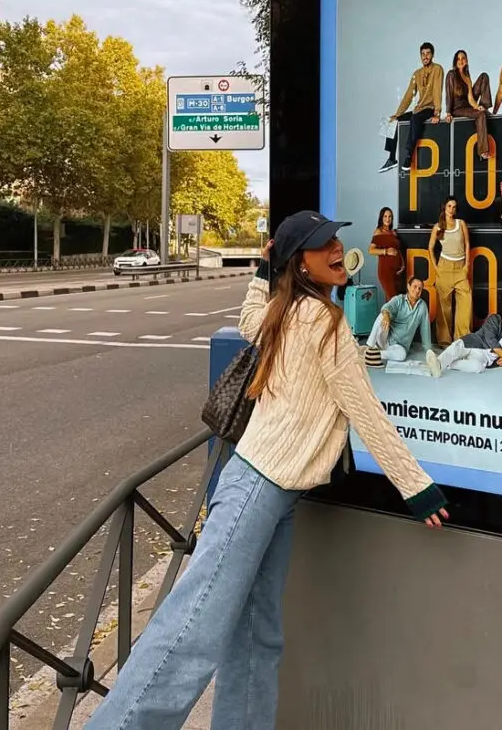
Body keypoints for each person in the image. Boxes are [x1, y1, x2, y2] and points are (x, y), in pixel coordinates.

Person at [84, 211, 447, 730]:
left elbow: (250, 314)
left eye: (337, 240)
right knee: (192, 630)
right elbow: (365, 411)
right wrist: (418, 488)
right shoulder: (323, 322)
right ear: (301, 261)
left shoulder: (286, 309)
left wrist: (262, 269)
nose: (337, 249)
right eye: (323, 244)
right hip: (258, 487)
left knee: (256, 637)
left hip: (266, 489)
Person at [380, 42, 443, 173]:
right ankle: (391, 158)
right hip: (419, 109)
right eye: (423, 54)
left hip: (430, 109)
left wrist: (437, 112)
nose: (425, 56)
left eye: (428, 53)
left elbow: (437, 90)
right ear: (420, 56)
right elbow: (408, 95)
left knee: (415, 119)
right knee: (395, 121)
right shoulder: (417, 74)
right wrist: (397, 114)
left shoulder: (437, 69)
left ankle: (409, 155)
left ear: (432, 55)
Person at [425, 301, 502, 376]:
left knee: (478, 367)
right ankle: (438, 364)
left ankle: (447, 364)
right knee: (457, 346)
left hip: (483, 357)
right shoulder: (494, 319)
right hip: (473, 343)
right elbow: (492, 341)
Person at [427, 195, 471, 347]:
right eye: (449, 206)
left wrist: (467, 266)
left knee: (465, 304)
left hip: (460, 268)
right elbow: (430, 248)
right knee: (443, 307)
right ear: (444, 208)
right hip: (444, 267)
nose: (451, 209)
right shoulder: (438, 227)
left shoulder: (461, 224)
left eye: (454, 207)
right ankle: (445, 341)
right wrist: (437, 268)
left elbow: (466, 244)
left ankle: (462, 340)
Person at [366, 276, 432, 362]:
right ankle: (369, 348)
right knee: (382, 315)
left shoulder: (422, 306)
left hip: (400, 346)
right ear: (408, 286)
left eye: (420, 288)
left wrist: (429, 351)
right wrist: (386, 314)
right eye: (415, 287)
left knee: (402, 356)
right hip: (385, 338)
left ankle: (377, 354)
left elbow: (425, 328)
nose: (417, 290)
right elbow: (387, 307)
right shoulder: (399, 299)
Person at [444, 49, 492, 160]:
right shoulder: (451, 74)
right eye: (458, 59)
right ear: (455, 61)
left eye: (463, 58)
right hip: (457, 108)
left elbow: (470, 98)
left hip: (467, 104)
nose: (461, 61)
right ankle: (483, 151)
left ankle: (484, 106)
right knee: (481, 115)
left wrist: (478, 107)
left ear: (467, 61)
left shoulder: (467, 76)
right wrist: (448, 112)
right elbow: (448, 93)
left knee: (484, 76)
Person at [368, 206, 404, 300]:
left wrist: (402, 264)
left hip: (397, 272)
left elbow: (398, 250)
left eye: (390, 216)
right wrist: (386, 251)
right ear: (381, 218)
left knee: (391, 300)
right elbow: (371, 250)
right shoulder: (378, 232)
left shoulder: (393, 233)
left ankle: (387, 315)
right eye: (385, 216)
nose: (388, 219)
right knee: (394, 299)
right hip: (385, 271)